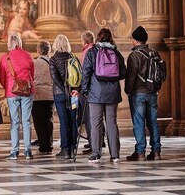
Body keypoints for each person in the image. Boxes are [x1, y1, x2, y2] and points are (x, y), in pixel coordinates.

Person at [81, 28, 126, 163]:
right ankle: (115, 154)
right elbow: (122, 74)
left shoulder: (92, 52)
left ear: (98, 38)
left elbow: (86, 73)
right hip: (112, 93)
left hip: (96, 93)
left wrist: (84, 89)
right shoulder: (116, 53)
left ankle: (96, 153)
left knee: (96, 123)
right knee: (112, 122)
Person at [125, 26, 162, 161]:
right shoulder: (155, 53)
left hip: (137, 94)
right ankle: (156, 151)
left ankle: (140, 152)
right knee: (153, 122)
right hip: (152, 92)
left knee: (139, 123)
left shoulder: (134, 56)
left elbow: (131, 77)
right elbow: (160, 73)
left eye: (132, 39)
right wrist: (157, 87)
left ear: (135, 40)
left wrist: (128, 91)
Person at [0, 32, 35, 160]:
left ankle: (14, 151)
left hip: (11, 91)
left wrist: (8, 88)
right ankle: (27, 151)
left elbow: (2, 77)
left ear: (9, 43)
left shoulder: (5, 57)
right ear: (20, 42)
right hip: (27, 91)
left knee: (14, 122)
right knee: (26, 121)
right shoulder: (27, 55)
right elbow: (32, 73)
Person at [49, 34, 78, 160]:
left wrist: (64, 90)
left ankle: (65, 150)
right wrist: (74, 90)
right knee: (73, 121)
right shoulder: (73, 57)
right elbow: (79, 76)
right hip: (74, 94)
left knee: (64, 122)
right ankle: (73, 149)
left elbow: (55, 78)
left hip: (60, 94)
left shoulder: (53, 59)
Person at [32, 41, 54, 155]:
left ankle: (42, 147)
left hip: (38, 95)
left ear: (39, 50)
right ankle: (49, 146)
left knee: (39, 122)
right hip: (50, 95)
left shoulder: (34, 63)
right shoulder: (52, 62)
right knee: (49, 121)